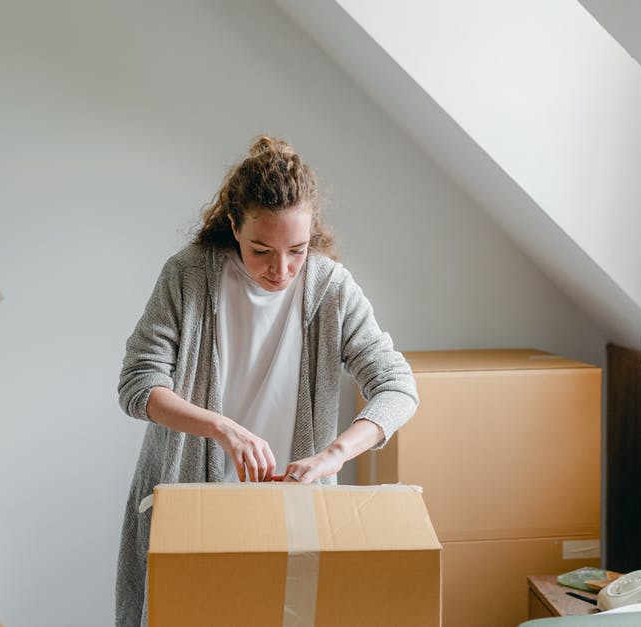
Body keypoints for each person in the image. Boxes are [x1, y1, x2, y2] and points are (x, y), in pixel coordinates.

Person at [115, 135, 418, 626]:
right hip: (193, 506)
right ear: (234, 226)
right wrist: (222, 427)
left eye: (297, 250)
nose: (281, 270)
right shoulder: (188, 277)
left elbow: (397, 387)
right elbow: (138, 383)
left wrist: (332, 456)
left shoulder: (331, 289)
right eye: (261, 250)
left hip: (291, 510)